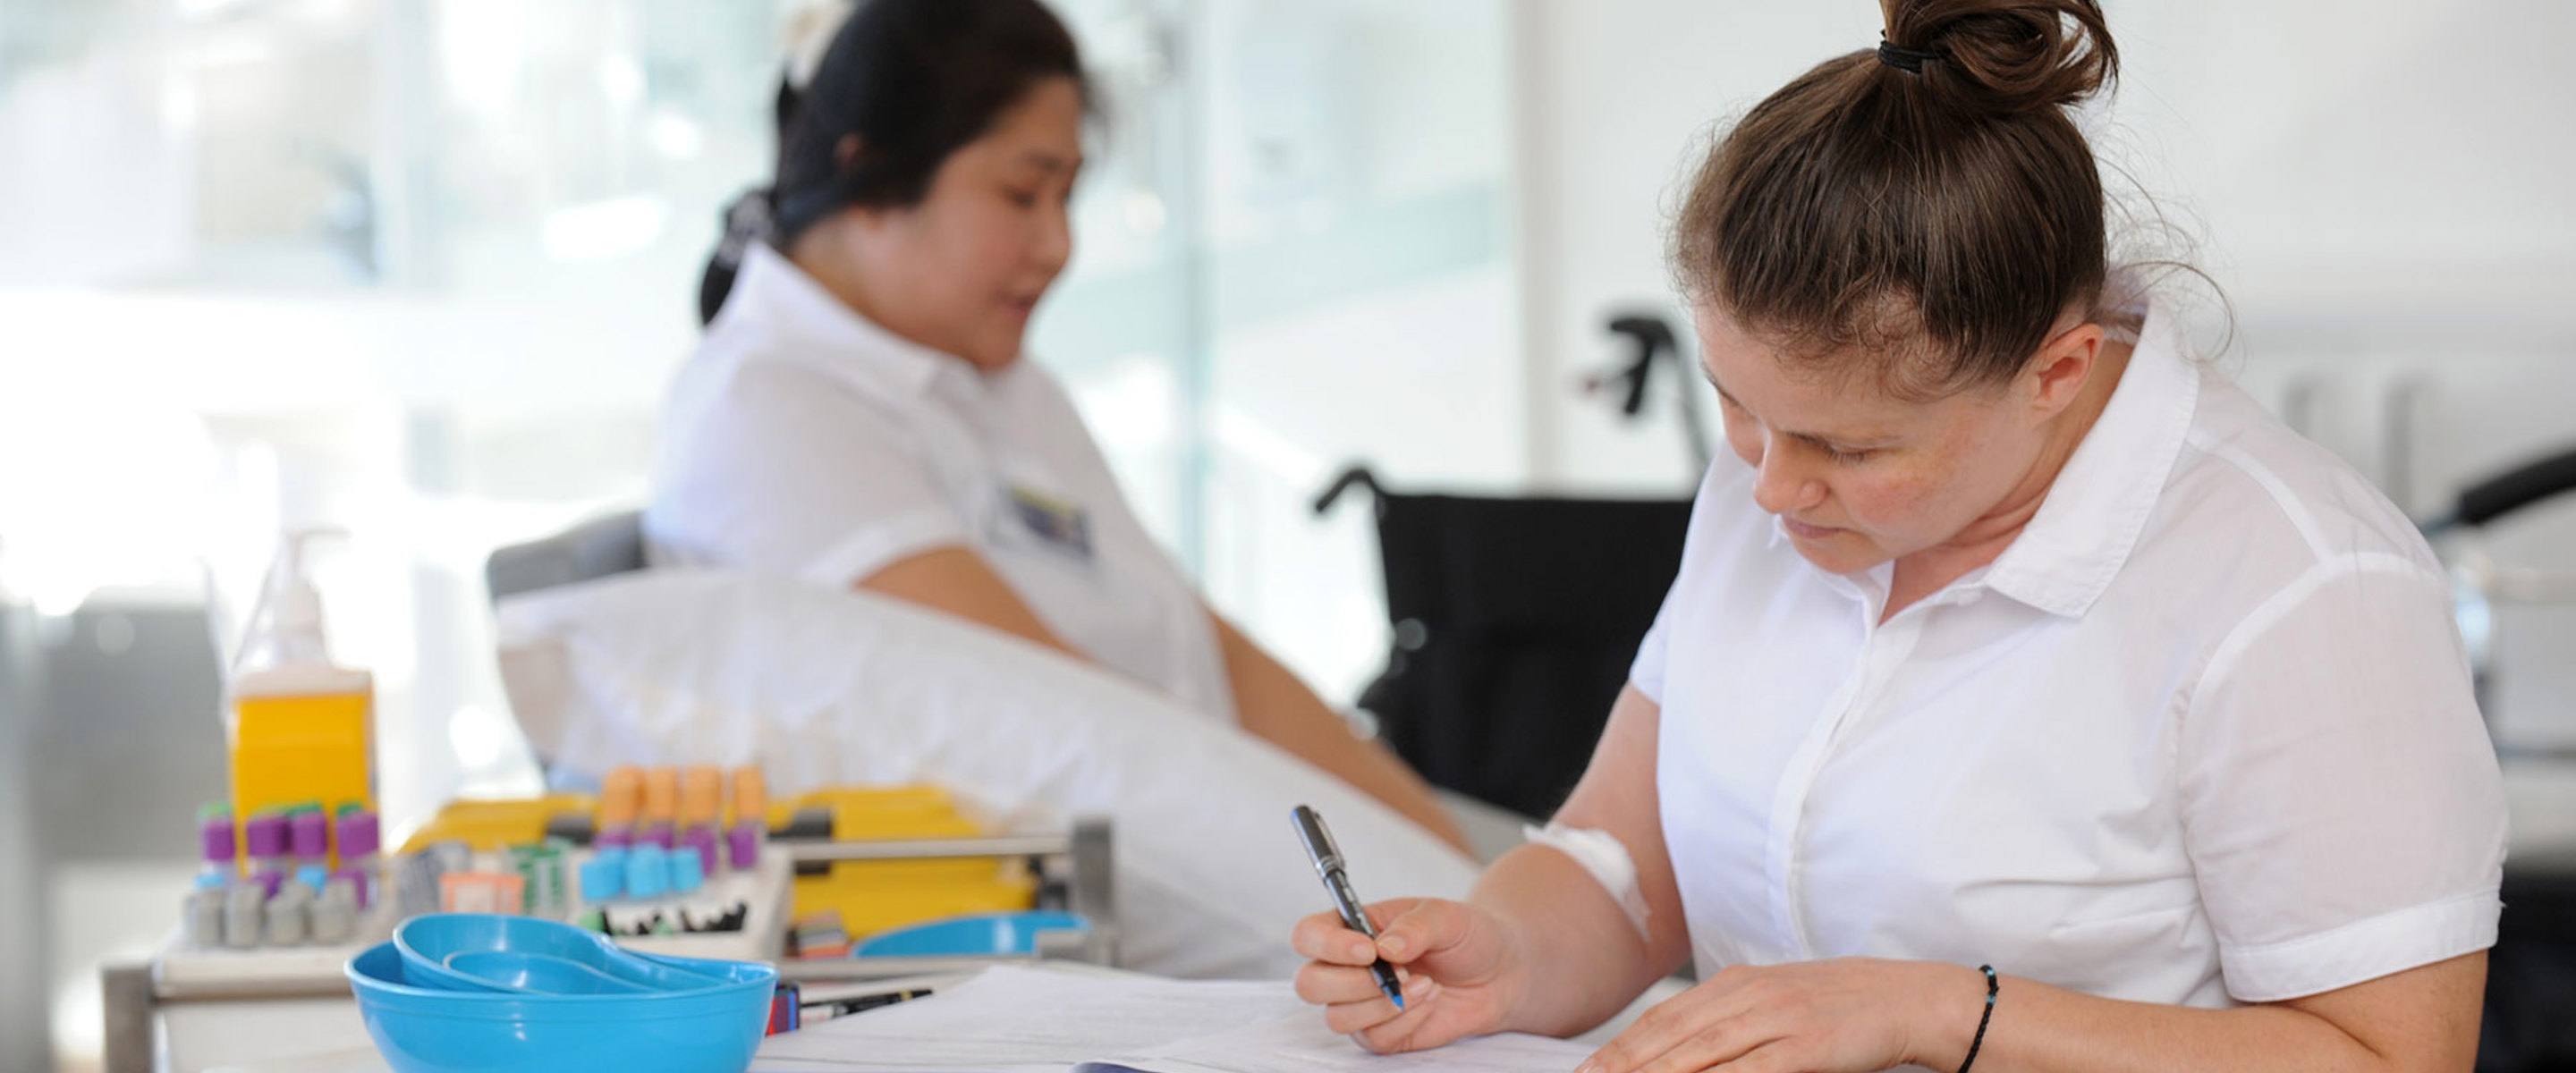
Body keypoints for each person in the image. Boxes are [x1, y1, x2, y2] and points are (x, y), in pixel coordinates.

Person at [1290, 1, 2507, 1069]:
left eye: (1854, 450)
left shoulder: (2304, 589)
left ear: (2058, 370)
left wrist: (1943, 1015)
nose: (1770, 491)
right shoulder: (1775, 472)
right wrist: (1503, 952)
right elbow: (1627, 860)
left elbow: (2391, 1054)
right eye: (1739, 411)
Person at [644, 0, 1469, 851]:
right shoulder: (769, 412)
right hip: (1141, 880)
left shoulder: (995, 380)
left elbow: (1203, 648)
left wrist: (1444, 846)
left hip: (1239, 834)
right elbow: (1067, 731)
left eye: (1068, 195)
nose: (1058, 245)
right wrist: (1401, 879)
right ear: (874, 177)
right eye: (1021, 193)